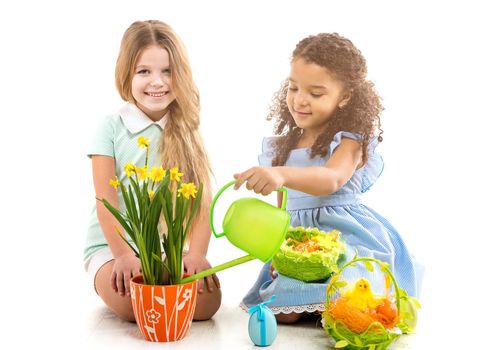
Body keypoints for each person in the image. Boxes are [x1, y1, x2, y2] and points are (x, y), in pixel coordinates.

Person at [234, 33, 423, 324]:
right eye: (293, 87)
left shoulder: (349, 140)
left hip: (345, 236)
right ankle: (312, 301)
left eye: (316, 93)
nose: (299, 100)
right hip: (302, 244)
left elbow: (331, 178)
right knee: (283, 312)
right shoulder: (282, 146)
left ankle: (330, 303)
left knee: (352, 295)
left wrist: (281, 174)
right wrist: (276, 252)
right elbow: (282, 211)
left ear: (345, 96)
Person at [84, 20, 221, 322]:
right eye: (144, 71)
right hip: (111, 248)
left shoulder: (186, 129)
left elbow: (202, 200)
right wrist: (122, 255)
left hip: (163, 252)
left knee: (208, 303)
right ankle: (131, 276)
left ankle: (162, 284)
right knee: (136, 306)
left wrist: (195, 255)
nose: (157, 82)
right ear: (127, 74)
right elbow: (105, 201)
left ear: (180, 75)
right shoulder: (111, 127)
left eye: (167, 71)